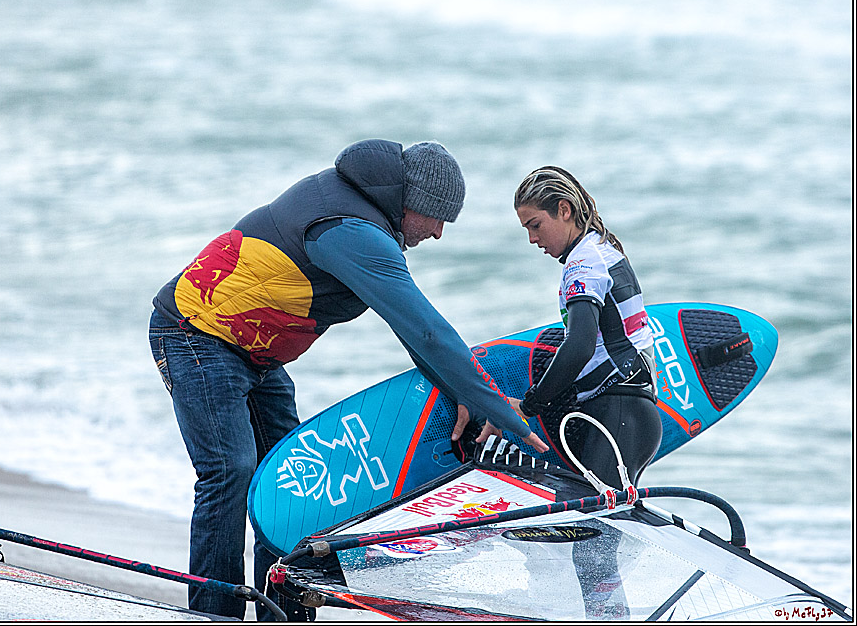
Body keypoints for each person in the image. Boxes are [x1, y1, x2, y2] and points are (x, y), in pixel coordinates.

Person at [149, 139, 547, 621]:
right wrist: (504, 413)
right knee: (230, 471)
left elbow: (412, 332)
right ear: (412, 205)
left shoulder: (362, 217)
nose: (439, 234)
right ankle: (216, 614)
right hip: (194, 334)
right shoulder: (348, 230)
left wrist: (460, 390)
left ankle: (280, 613)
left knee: (287, 489)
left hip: (254, 354)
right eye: (438, 218)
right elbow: (425, 328)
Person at [511, 166, 661, 491]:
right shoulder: (603, 251)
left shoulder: (584, 263)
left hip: (618, 410)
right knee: (597, 534)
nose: (532, 239)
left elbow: (579, 347)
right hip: (628, 412)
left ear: (564, 210)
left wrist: (529, 406)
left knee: (592, 536)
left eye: (535, 225)